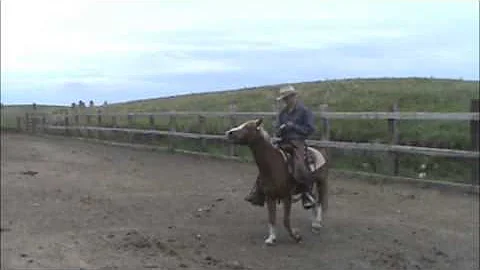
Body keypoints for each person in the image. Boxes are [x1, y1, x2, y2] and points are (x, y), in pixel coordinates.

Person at [245, 85, 316, 209]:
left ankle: (307, 194)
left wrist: (293, 126)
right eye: (284, 99)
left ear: (294, 97)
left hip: (297, 142)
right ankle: (258, 192)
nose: (286, 101)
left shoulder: (304, 111)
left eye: (288, 98)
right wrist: (279, 130)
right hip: (283, 142)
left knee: (299, 165)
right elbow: (277, 129)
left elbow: (310, 129)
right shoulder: (282, 113)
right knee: (266, 163)